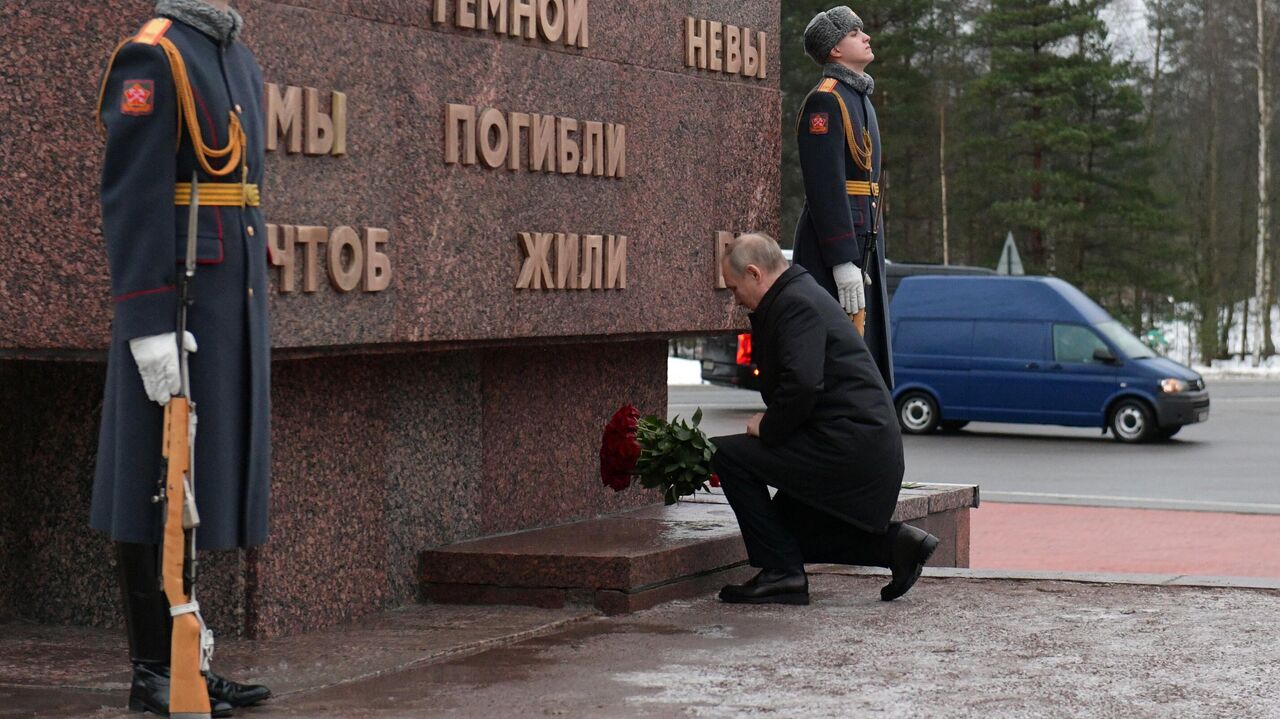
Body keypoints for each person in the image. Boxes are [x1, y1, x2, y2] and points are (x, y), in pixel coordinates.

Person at [92, 0, 272, 714]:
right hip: (176, 301)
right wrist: (146, 322)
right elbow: (130, 195)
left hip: (228, 298)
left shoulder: (234, 53)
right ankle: (154, 671)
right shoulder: (153, 55)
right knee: (152, 480)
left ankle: (189, 658)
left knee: (194, 491)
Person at [713, 233, 937, 605]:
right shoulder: (798, 294)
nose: (736, 300)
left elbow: (801, 386)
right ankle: (897, 546)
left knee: (728, 456)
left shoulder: (794, 304)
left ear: (754, 273)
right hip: (855, 443)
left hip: (851, 448)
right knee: (782, 529)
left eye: (735, 288)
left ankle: (782, 574)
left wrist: (767, 427)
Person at [792, 6, 893, 389]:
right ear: (834, 49)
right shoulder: (826, 101)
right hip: (836, 245)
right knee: (837, 356)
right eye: (854, 33)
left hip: (865, 236)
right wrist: (841, 260)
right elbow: (824, 185)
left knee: (865, 348)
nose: (865, 37)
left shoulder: (859, 97)